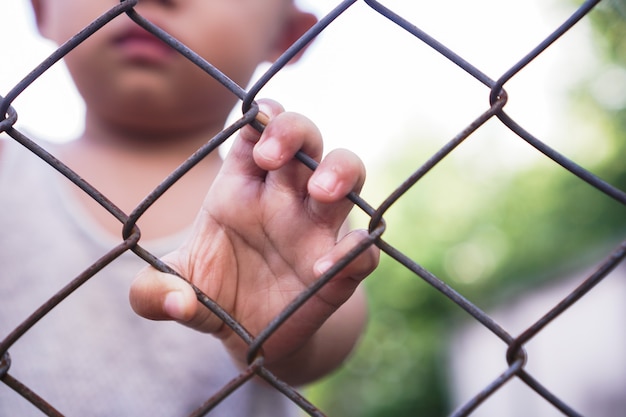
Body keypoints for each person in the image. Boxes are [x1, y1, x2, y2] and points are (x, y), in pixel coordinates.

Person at [0, 0, 379, 416]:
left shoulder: (293, 207)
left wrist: (285, 326)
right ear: (41, 9)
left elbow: (333, 332)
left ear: (289, 36)